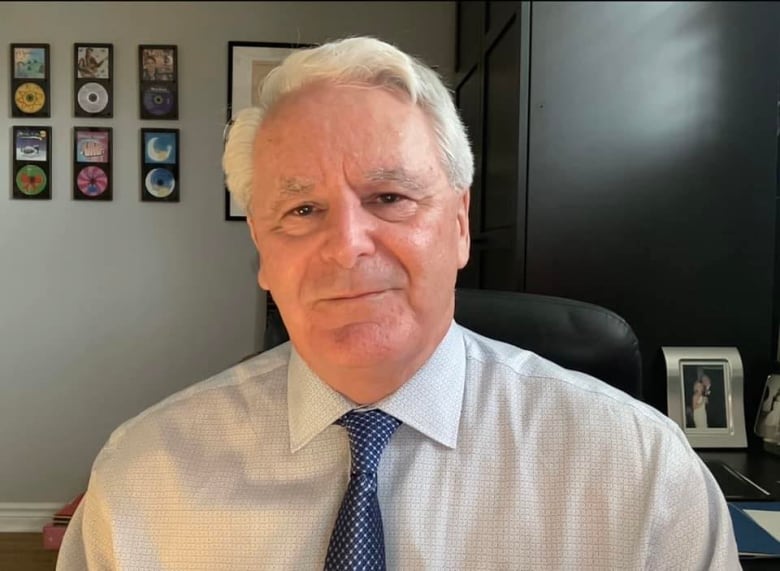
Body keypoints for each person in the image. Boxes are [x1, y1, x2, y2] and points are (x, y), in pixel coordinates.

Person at [57, 36, 738, 569]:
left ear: (461, 224)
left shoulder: (638, 472)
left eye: (390, 197)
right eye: (301, 209)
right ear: (263, 250)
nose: (348, 244)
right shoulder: (145, 480)